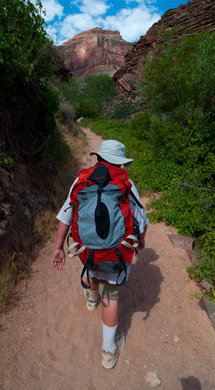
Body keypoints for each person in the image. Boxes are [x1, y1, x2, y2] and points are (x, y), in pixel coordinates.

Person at [51, 140, 148, 369]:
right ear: (121, 163)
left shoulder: (81, 180)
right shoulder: (126, 183)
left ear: (99, 158)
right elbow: (141, 221)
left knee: (93, 271)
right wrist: (141, 241)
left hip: (87, 250)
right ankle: (108, 351)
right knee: (111, 299)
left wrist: (58, 248)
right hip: (117, 253)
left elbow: (65, 216)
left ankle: (92, 300)